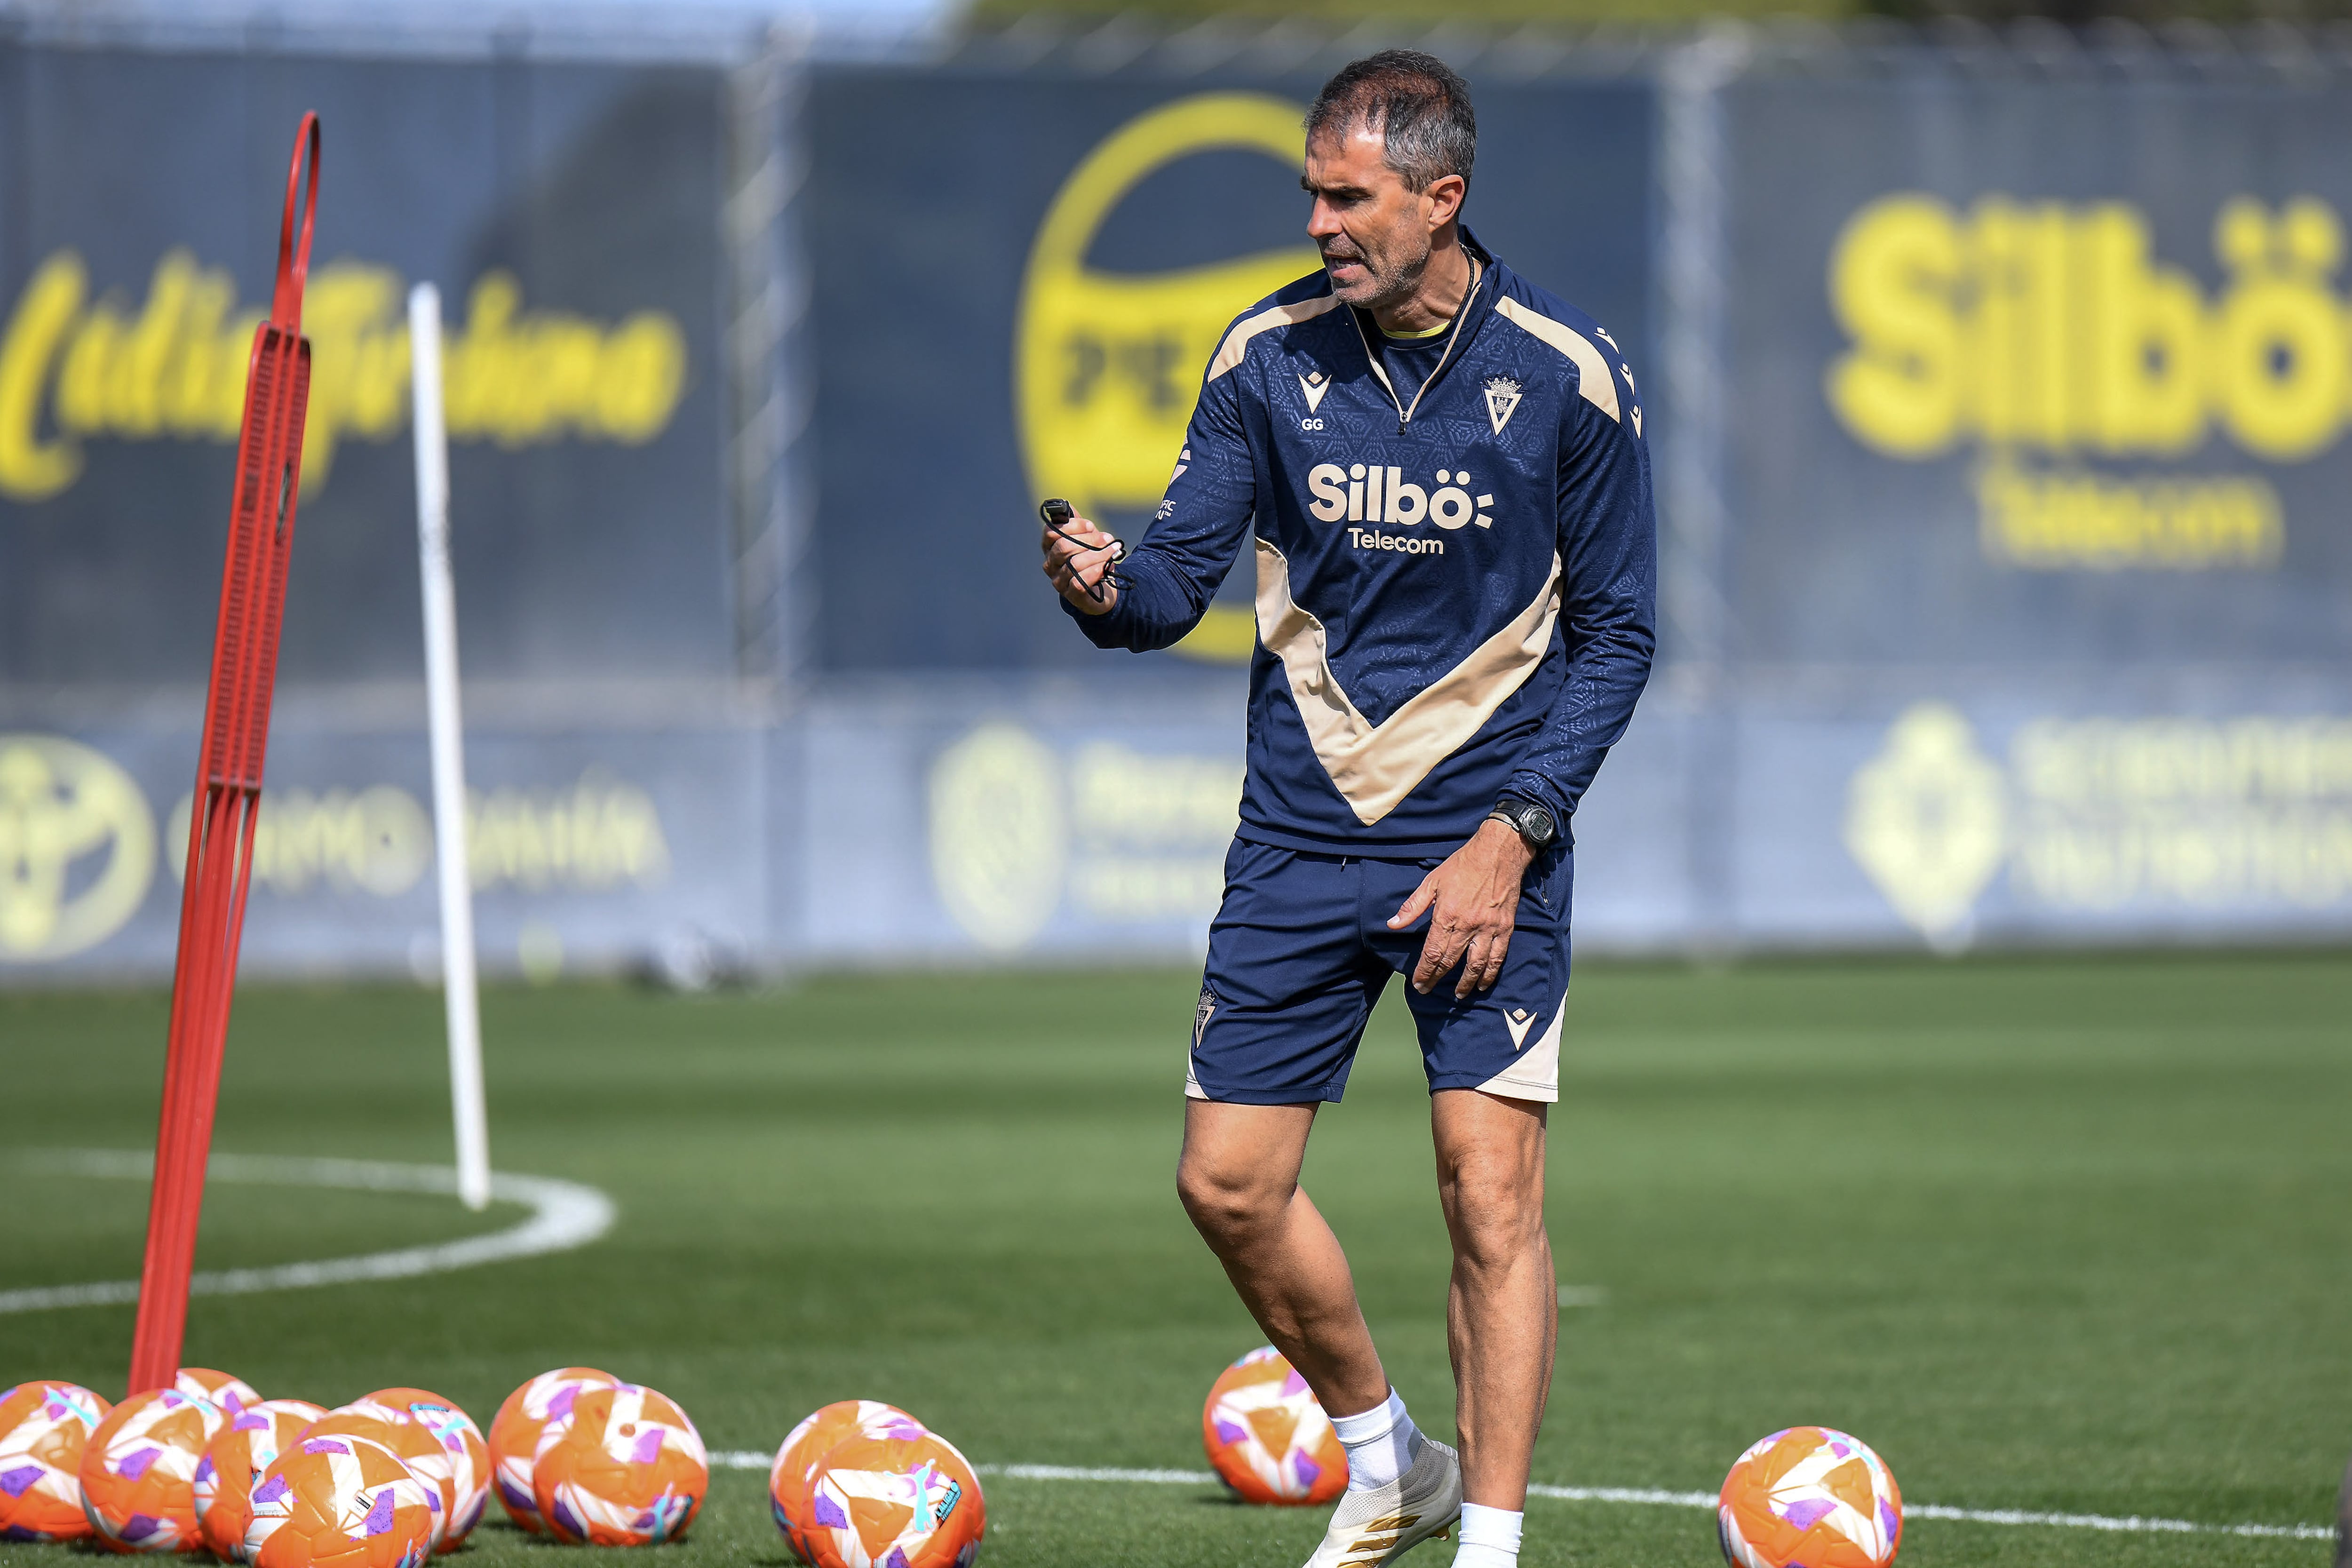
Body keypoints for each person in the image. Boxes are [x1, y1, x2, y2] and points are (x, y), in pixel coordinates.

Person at [1041, 50, 1654, 1568]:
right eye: (1313, 194)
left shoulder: (1568, 375)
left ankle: (1491, 1547)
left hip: (1487, 841)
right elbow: (1173, 586)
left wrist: (1514, 837)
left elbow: (1620, 639)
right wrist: (1108, 591)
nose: (1320, 222)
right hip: (1301, 834)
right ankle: (1391, 1461)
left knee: (1488, 1198)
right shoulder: (1264, 356)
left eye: (1349, 197)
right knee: (1227, 1186)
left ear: (1443, 199)